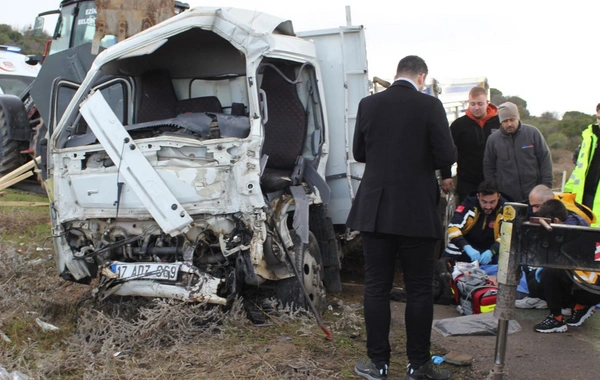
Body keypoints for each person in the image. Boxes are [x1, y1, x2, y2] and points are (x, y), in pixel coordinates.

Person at [347, 55, 456, 380]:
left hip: (376, 208)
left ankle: (377, 364)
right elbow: (446, 155)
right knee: (420, 289)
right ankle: (418, 365)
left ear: (397, 75)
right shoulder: (430, 106)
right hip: (417, 211)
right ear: (421, 77)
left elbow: (359, 153)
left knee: (377, 287)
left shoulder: (369, 104)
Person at [533, 199, 600, 333]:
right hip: (589, 286)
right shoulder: (581, 226)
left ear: (556, 221)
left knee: (548, 273)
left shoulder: (570, 235)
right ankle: (580, 307)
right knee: (541, 276)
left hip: (590, 288)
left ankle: (557, 318)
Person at [483, 102, 553, 202]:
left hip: (535, 196)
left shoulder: (533, 133)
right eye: (505, 121)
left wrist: (546, 186)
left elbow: (545, 159)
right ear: (500, 122)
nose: (509, 124)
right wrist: (495, 191)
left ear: (518, 118)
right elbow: (488, 166)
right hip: (507, 198)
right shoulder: (493, 140)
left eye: (512, 119)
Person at [440, 87, 500, 203]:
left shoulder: (499, 122)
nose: (476, 107)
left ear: (487, 103)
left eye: (480, 104)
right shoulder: (458, 125)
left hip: (494, 179)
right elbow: (447, 150)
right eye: (472, 104)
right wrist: (446, 175)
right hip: (467, 181)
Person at [442, 180, 505, 265]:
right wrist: (467, 247)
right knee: (452, 247)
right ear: (478, 196)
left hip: (492, 249)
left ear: (498, 196)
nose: (488, 206)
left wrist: (492, 251)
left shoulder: (506, 209)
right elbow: (452, 228)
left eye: (492, 202)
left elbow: (507, 236)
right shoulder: (469, 205)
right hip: (469, 246)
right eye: (484, 202)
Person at [563, 103, 600, 227]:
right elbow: (579, 170)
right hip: (583, 200)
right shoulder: (589, 137)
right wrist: (568, 194)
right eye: (599, 118)